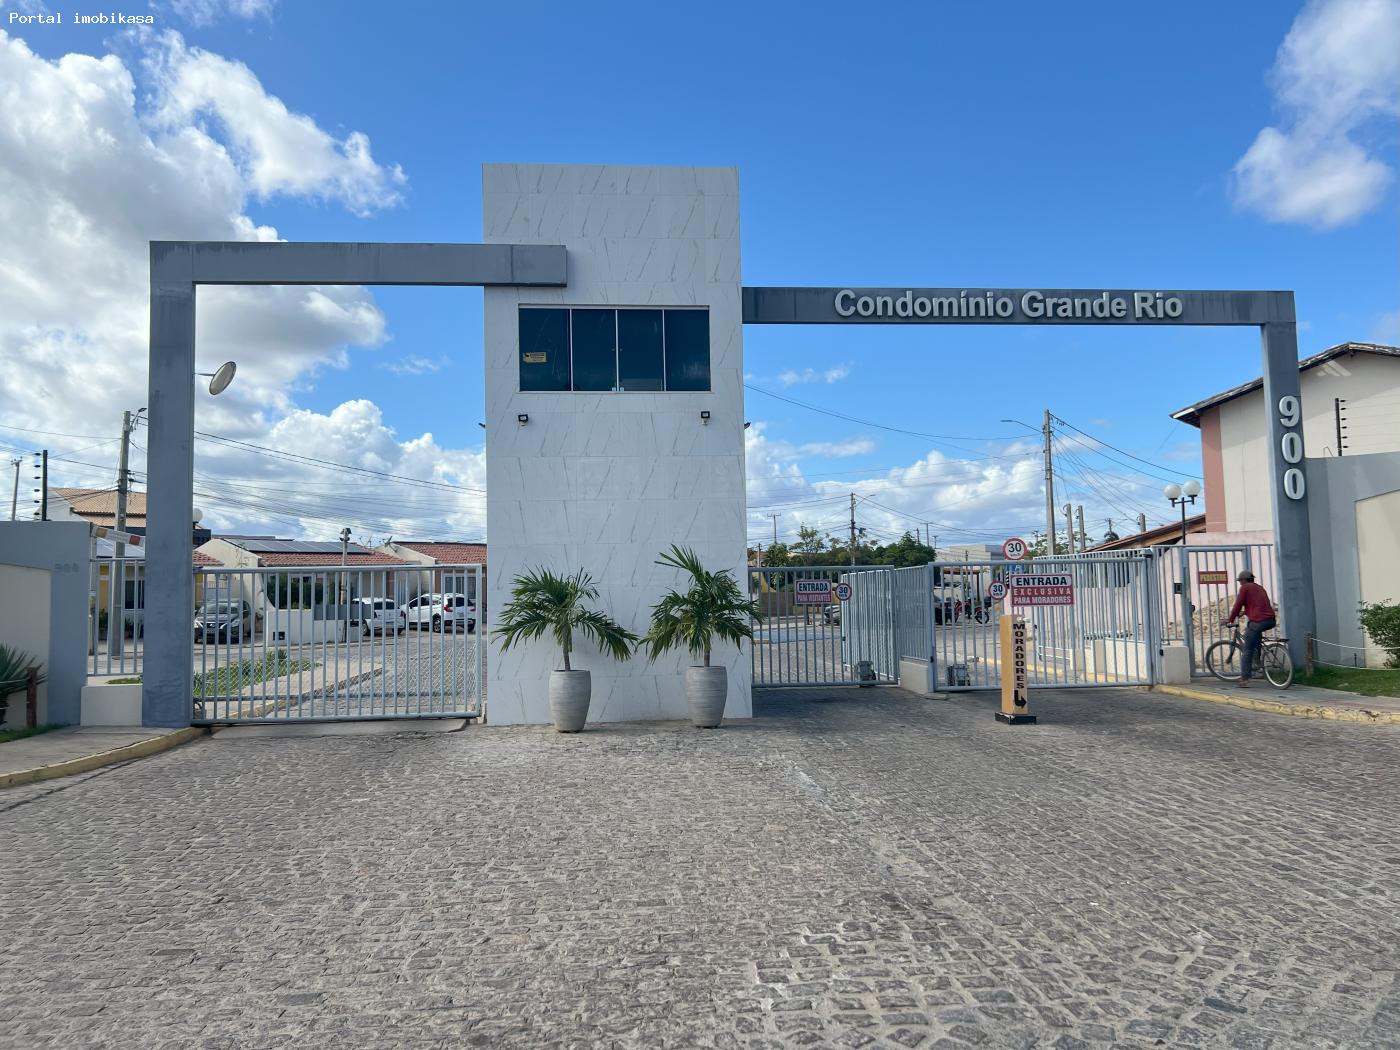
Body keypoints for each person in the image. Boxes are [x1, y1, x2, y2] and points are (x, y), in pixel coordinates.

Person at [1222, 570, 1276, 688]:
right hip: (1270, 620)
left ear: (1244, 580)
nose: (1240, 584)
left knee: (1247, 649)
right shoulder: (1260, 588)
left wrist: (1230, 619)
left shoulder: (1245, 588)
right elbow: (1259, 605)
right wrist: (1245, 612)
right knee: (1255, 641)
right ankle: (1259, 669)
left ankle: (1244, 679)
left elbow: (1238, 604)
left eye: (1240, 581)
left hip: (1257, 622)